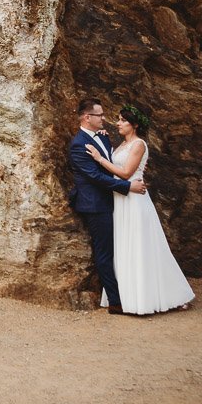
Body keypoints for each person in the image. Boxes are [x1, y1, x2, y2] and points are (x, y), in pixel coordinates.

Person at [85, 103, 195, 315]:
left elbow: (125, 173)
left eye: (123, 120)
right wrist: (102, 139)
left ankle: (164, 296)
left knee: (142, 248)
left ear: (134, 125)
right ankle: (129, 296)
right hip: (120, 200)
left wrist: (98, 158)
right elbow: (114, 162)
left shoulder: (139, 145)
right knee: (125, 247)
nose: (118, 123)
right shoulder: (121, 145)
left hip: (134, 201)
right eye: (118, 119)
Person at [68, 97, 147, 315]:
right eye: (100, 115)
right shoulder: (78, 144)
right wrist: (126, 186)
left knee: (122, 248)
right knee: (104, 253)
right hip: (96, 204)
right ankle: (115, 301)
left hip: (115, 203)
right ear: (87, 117)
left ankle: (131, 294)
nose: (104, 118)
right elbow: (94, 176)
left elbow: (110, 162)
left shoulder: (103, 137)